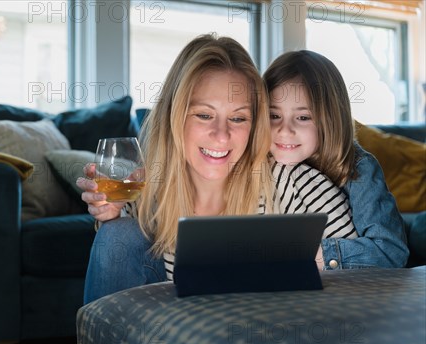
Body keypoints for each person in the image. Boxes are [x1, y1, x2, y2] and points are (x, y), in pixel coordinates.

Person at [77, 34, 275, 303]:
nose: (221, 135)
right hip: (173, 338)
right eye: (204, 115)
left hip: (257, 335)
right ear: (175, 115)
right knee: (116, 235)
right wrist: (110, 217)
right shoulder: (145, 193)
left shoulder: (283, 179)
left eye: (238, 118)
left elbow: (349, 266)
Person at [263, 50, 409, 270]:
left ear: (329, 119)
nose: (285, 130)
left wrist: (315, 254)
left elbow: (390, 251)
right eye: (274, 115)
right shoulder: (259, 166)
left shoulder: (359, 168)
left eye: (303, 117)